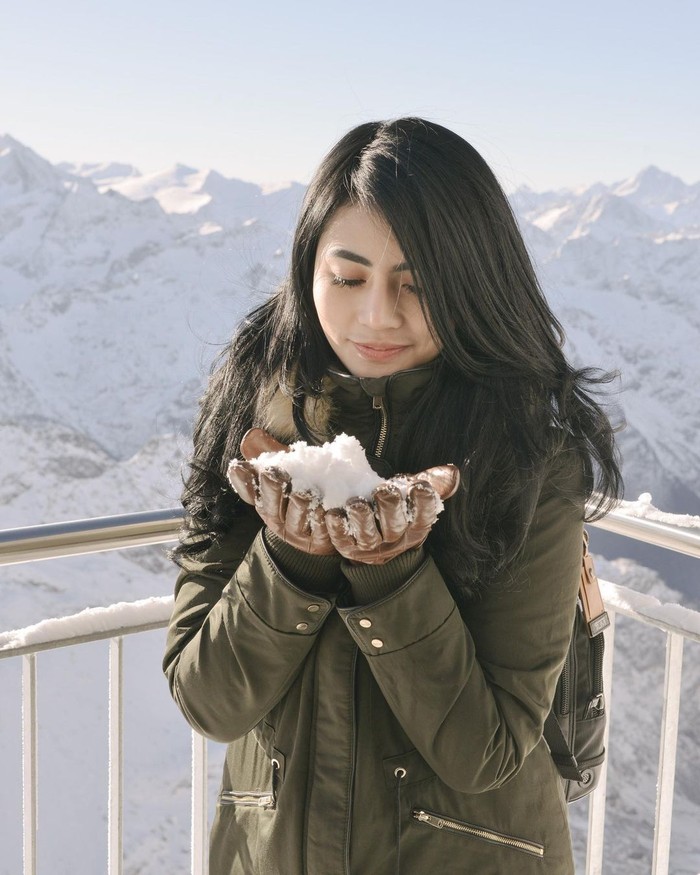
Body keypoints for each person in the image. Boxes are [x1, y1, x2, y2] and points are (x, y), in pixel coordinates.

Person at [163, 117, 622, 875]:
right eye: (347, 279)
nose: (377, 314)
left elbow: (489, 750)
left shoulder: (526, 456)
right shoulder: (254, 411)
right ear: (308, 271)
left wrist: (393, 575)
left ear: (473, 284)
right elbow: (208, 697)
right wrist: (288, 563)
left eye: (418, 285)